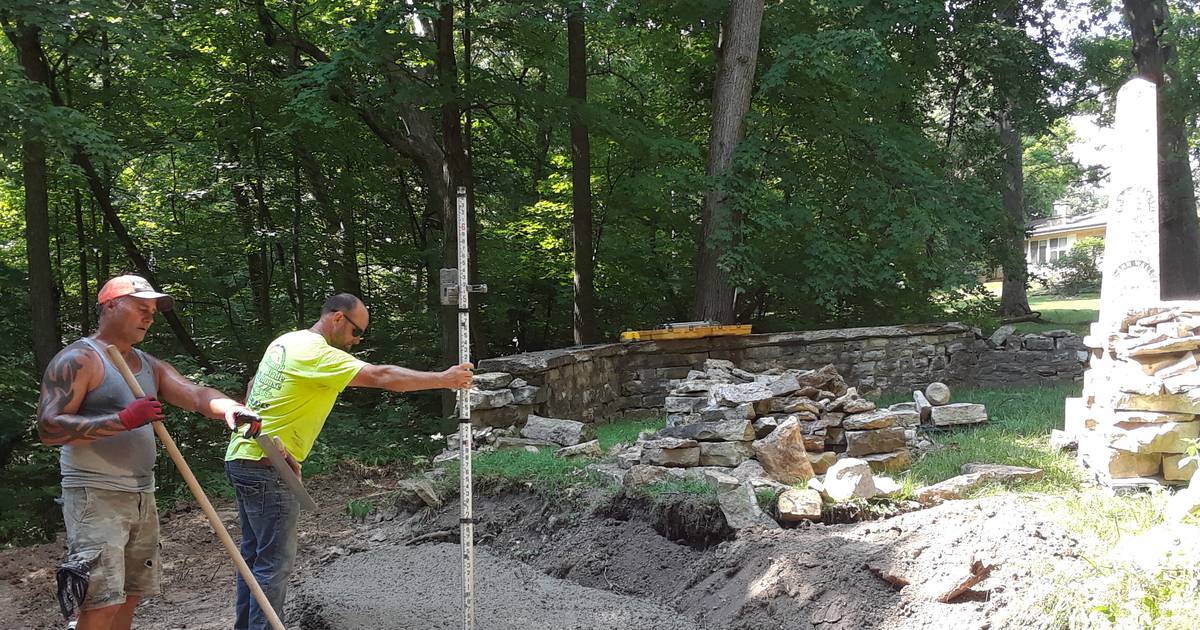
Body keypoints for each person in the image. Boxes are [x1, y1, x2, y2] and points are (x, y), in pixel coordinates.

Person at [225, 292, 472, 630]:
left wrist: (279, 442)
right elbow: (383, 376)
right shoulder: (316, 353)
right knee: (273, 564)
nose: (356, 342)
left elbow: (255, 389)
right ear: (337, 318)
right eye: (356, 332)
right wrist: (443, 379)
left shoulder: (285, 342)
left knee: (254, 558)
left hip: (246, 456)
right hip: (264, 466)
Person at [37, 275, 260, 630]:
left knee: (129, 595)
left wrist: (229, 408)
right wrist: (123, 419)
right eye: (141, 308)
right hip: (96, 495)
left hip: (141, 493)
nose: (149, 317)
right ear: (111, 305)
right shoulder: (80, 359)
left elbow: (194, 393)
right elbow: (49, 429)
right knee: (100, 601)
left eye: (153, 311)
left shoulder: (146, 364)